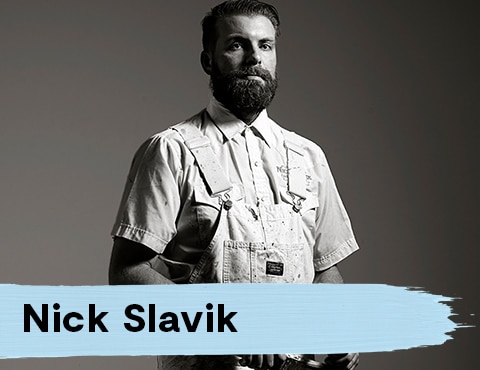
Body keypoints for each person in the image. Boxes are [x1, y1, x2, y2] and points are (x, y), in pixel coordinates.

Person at [109, 1, 360, 369]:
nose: (254, 58)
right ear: (208, 61)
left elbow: (323, 267)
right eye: (236, 45)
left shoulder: (308, 156)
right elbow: (127, 273)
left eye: (265, 45)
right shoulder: (171, 150)